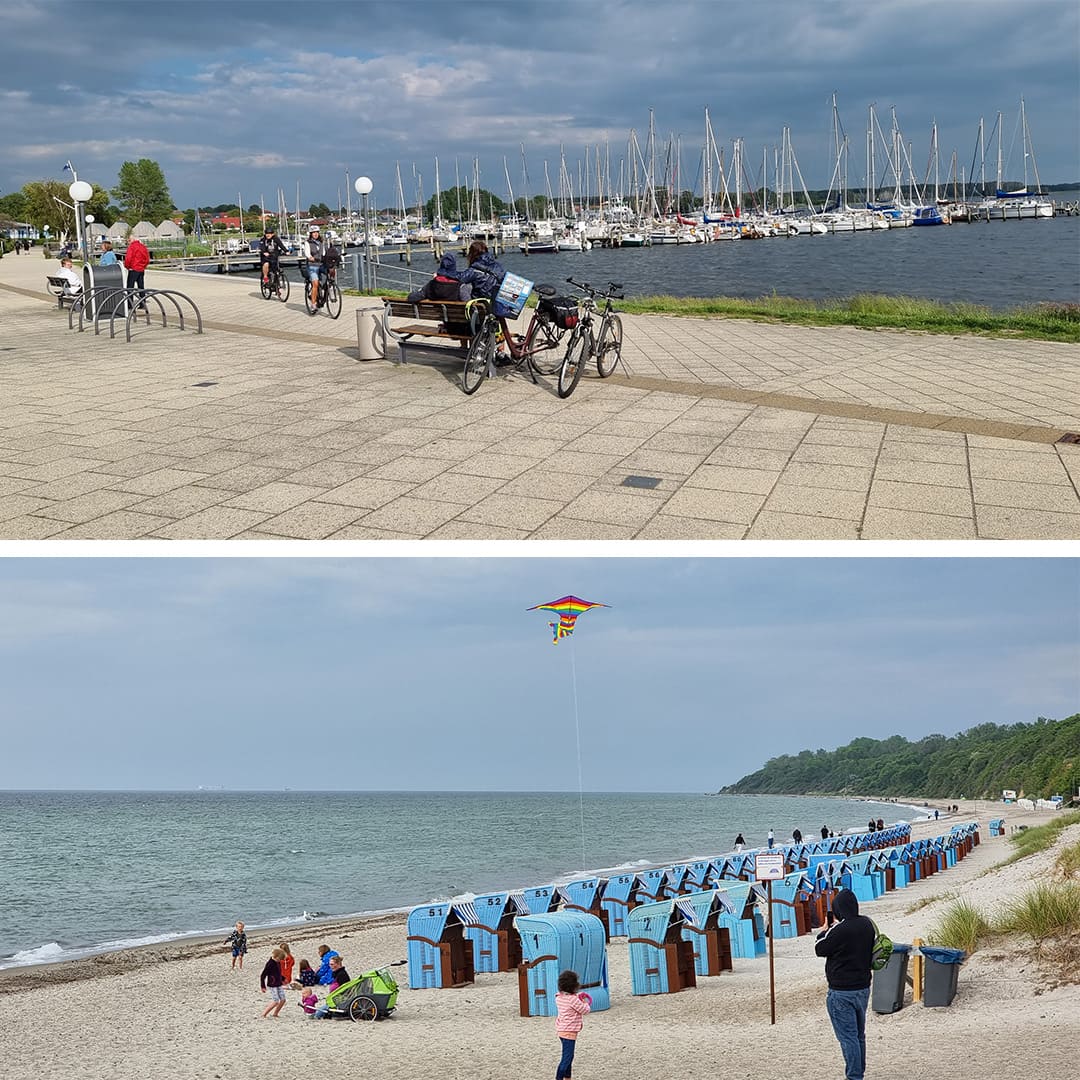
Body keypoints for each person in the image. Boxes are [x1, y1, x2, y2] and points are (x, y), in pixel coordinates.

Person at [814, 888, 874, 1080]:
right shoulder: (867, 924)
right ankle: (859, 1072)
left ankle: (854, 1076)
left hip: (841, 991)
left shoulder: (840, 930)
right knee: (858, 1035)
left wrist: (824, 930)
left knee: (848, 1037)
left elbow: (820, 948)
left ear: (838, 909)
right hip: (862, 987)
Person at [554, 969, 591, 1080]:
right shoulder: (573, 1000)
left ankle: (567, 1078)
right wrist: (584, 1001)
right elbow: (585, 1010)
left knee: (568, 1057)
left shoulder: (559, 997)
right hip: (569, 1032)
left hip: (561, 1030)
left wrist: (576, 996)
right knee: (567, 1058)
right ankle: (559, 1078)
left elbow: (569, 998)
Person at [302, 226, 325, 312]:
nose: (315, 234)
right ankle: (313, 304)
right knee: (315, 284)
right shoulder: (308, 243)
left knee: (331, 270)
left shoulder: (321, 242)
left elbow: (323, 253)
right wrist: (310, 257)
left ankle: (330, 286)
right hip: (312, 265)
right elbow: (307, 253)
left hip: (321, 265)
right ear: (311, 234)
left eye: (317, 232)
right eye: (313, 232)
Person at [260, 947, 287, 1018]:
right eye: (279, 959)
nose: (280, 961)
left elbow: (278, 973)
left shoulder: (278, 963)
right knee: (276, 1001)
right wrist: (263, 986)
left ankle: (275, 1013)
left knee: (283, 1000)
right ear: (276, 957)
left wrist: (283, 979)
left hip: (279, 984)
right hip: (272, 985)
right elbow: (263, 975)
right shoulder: (269, 964)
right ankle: (264, 1014)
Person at [124, 235, 150, 308]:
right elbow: (147, 258)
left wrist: (127, 266)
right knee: (141, 286)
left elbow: (128, 258)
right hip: (141, 269)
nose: (128, 242)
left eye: (129, 240)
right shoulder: (143, 246)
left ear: (132, 240)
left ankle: (130, 304)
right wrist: (144, 266)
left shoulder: (132, 247)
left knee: (130, 287)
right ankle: (143, 303)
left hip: (133, 268)